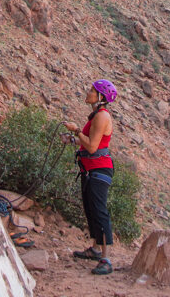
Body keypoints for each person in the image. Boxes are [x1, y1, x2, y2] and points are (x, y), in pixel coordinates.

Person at [63, 78, 117, 276]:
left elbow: (93, 146)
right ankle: (95, 249)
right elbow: (91, 142)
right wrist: (72, 139)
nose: (88, 93)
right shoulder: (97, 116)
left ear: (100, 96)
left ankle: (106, 259)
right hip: (91, 169)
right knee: (91, 209)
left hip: (99, 169)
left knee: (99, 210)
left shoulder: (102, 117)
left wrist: (76, 130)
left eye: (91, 91)